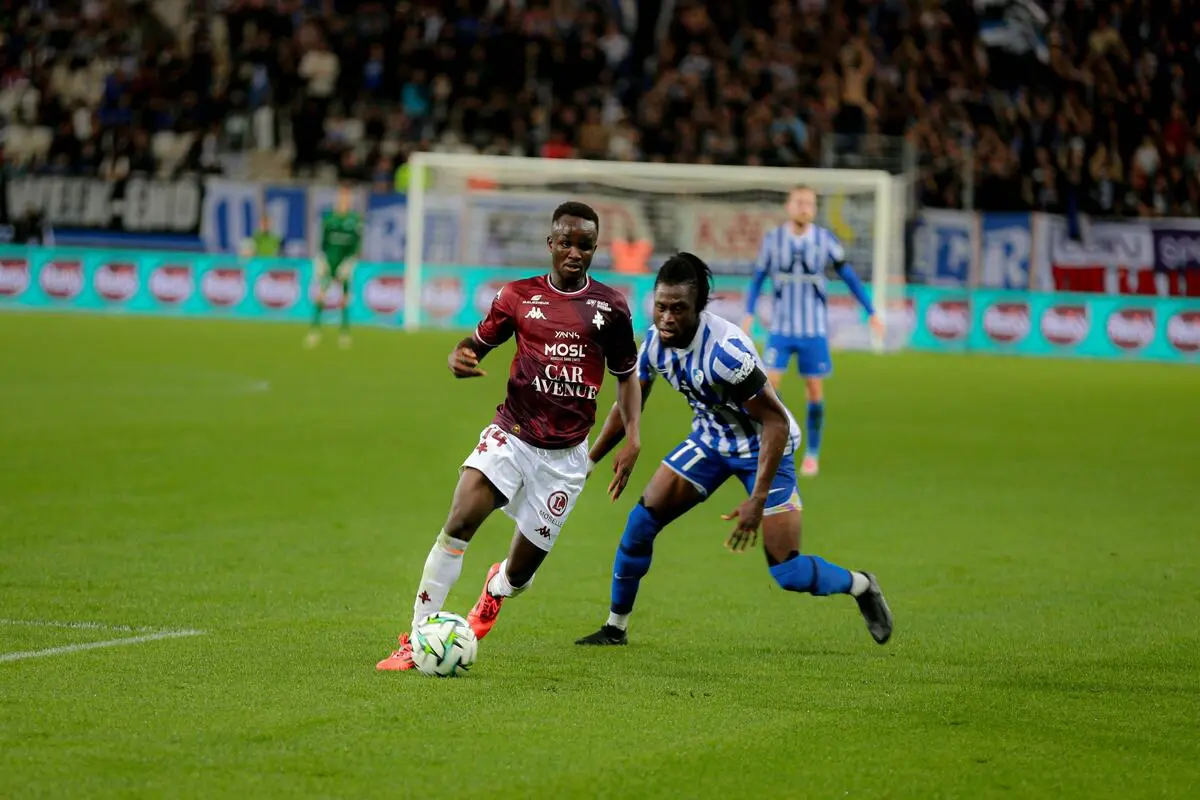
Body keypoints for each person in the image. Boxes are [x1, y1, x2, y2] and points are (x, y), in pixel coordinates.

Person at [377, 201, 643, 671]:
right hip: (512, 435)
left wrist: (633, 437)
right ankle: (415, 639)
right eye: (566, 242)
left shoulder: (611, 308)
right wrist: (458, 358)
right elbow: (473, 346)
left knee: (519, 576)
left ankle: (495, 589)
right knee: (459, 521)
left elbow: (627, 376)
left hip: (565, 458)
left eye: (585, 245)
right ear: (551, 244)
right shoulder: (517, 297)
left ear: (595, 249)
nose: (575, 253)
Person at [577, 252, 892, 647]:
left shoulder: (726, 355)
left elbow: (774, 422)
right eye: (661, 307)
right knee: (639, 525)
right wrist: (588, 462)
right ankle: (615, 628)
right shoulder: (655, 344)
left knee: (787, 573)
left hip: (765, 448)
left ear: (699, 307)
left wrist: (757, 499)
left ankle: (862, 586)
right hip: (710, 441)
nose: (667, 317)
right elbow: (629, 403)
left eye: (678, 308)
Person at [741, 186, 883, 477]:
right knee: (768, 388)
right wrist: (748, 312)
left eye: (810, 203)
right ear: (788, 206)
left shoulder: (824, 240)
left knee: (815, 391)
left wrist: (871, 311)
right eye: (799, 202)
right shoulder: (773, 241)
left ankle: (812, 455)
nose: (805, 207)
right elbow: (757, 280)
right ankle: (772, 444)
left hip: (813, 330)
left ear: (814, 209)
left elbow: (849, 277)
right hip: (780, 328)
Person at [306, 183, 363, 349]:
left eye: (347, 198)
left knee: (344, 298)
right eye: (342, 198)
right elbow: (322, 242)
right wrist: (320, 259)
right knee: (321, 295)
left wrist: (351, 262)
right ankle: (314, 331)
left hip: (344, 263)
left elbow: (357, 245)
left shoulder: (355, 220)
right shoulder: (329, 219)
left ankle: (344, 333)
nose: (345, 201)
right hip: (329, 261)